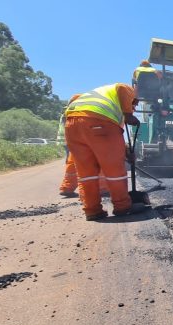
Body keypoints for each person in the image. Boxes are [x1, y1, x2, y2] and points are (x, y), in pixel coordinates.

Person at [64, 83, 143, 221]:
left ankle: (92, 210)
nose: (134, 108)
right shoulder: (125, 91)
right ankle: (122, 207)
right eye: (134, 105)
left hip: (72, 126)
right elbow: (122, 89)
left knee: (86, 173)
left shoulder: (103, 100)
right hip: (98, 122)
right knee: (114, 169)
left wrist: (126, 152)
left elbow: (112, 142)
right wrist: (128, 114)